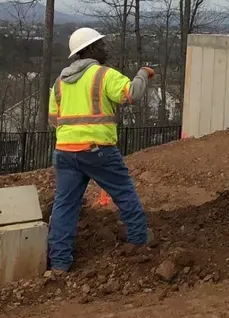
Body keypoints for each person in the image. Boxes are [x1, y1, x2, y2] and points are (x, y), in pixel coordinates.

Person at [46, 26, 156, 272]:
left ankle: (60, 264)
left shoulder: (59, 82)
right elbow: (132, 93)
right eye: (101, 44)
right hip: (98, 150)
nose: (105, 49)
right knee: (124, 192)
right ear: (90, 49)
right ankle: (139, 241)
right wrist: (143, 73)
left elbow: (54, 119)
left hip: (65, 152)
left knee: (65, 205)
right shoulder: (102, 75)